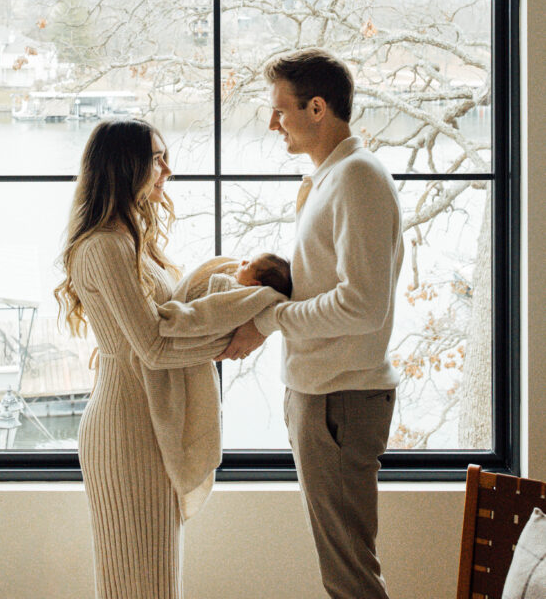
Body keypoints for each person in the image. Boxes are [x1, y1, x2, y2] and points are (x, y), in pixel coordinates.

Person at [219, 47, 404, 599]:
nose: (273, 123)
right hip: (323, 397)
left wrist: (273, 319)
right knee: (342, 573)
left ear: (317, 108)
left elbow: (364, 304)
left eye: (281, 110)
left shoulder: (357, 178)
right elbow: (331, 285)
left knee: (350, 578)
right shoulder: (329, 179)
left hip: (339, 401)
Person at [54, 119, 229, 599]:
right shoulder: (104, 247)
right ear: (123, 165)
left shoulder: (131, 241)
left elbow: (167, 321)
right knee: (140, 584)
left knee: (152, 581)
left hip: (146, 424)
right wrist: (227, 342)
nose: (168, 169)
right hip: (126, 429)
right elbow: (151, 346)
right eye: (157, 158)